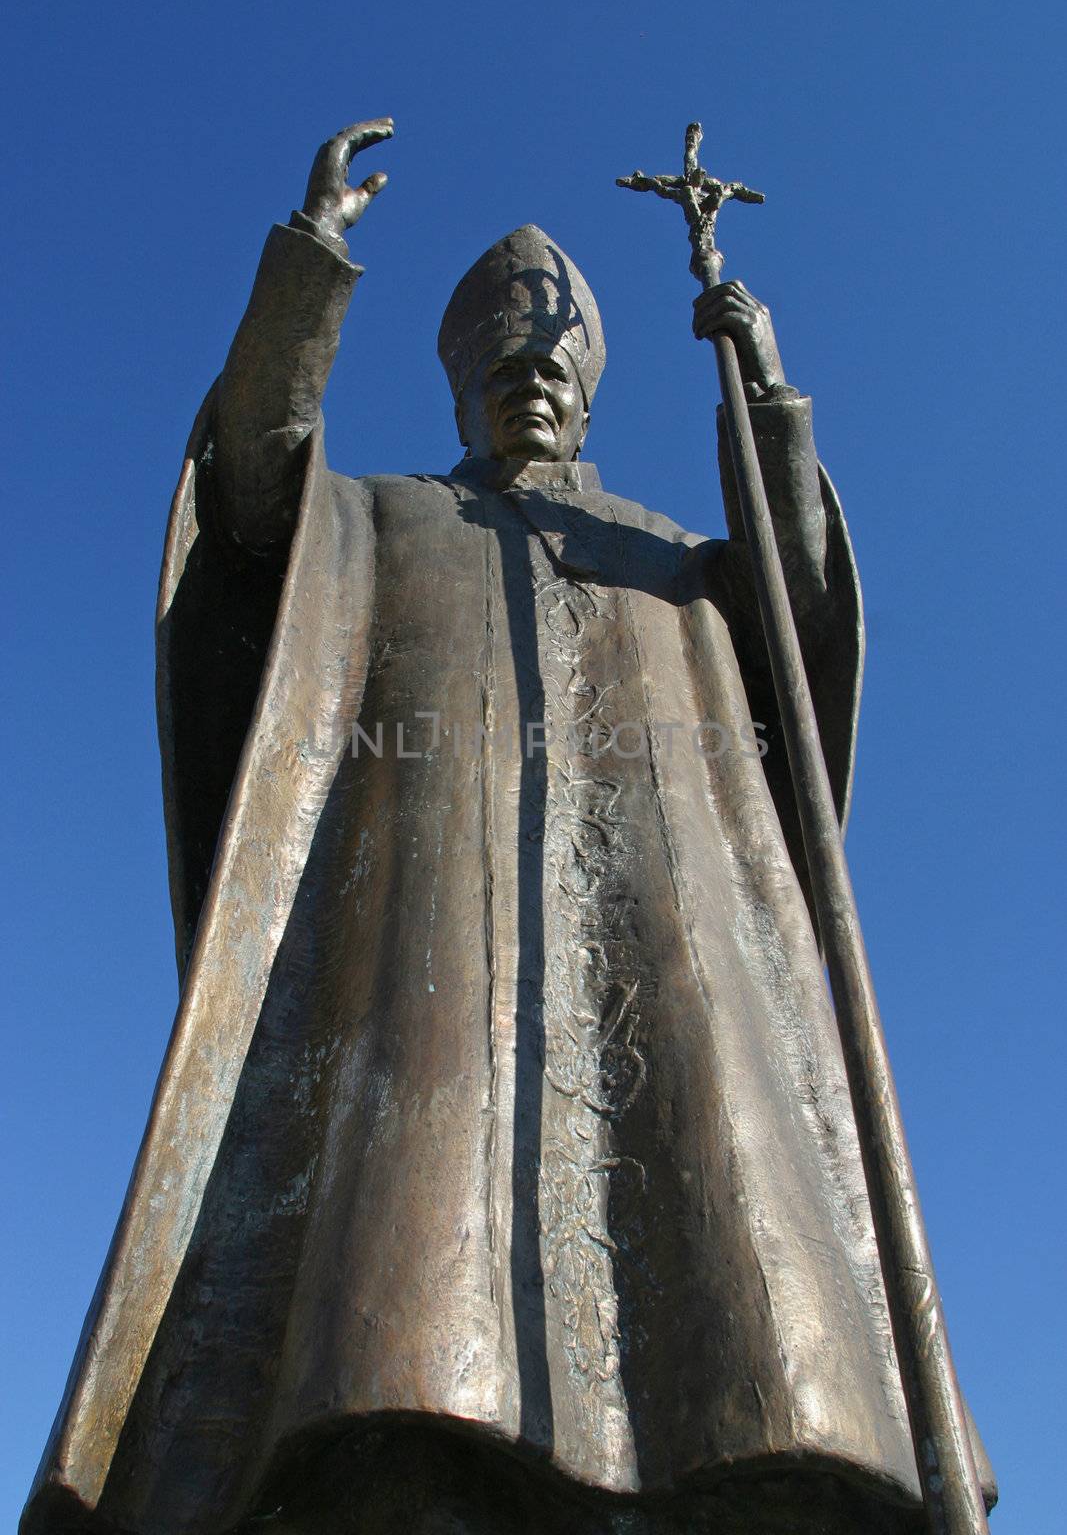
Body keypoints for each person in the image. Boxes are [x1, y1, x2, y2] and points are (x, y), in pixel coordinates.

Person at [23, 121, 995, 1535]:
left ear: (588, 400)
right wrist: (309, 272)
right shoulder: (380, 522)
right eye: (503, 370)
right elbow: (247, 495)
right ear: (466, 392)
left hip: (675, 965)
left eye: (554, 369)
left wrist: (767, 396)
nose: (530, 385)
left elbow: (804, 609)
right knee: (407, 1337)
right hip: (433, 971)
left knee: (740, 1308)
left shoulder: (682, 567)